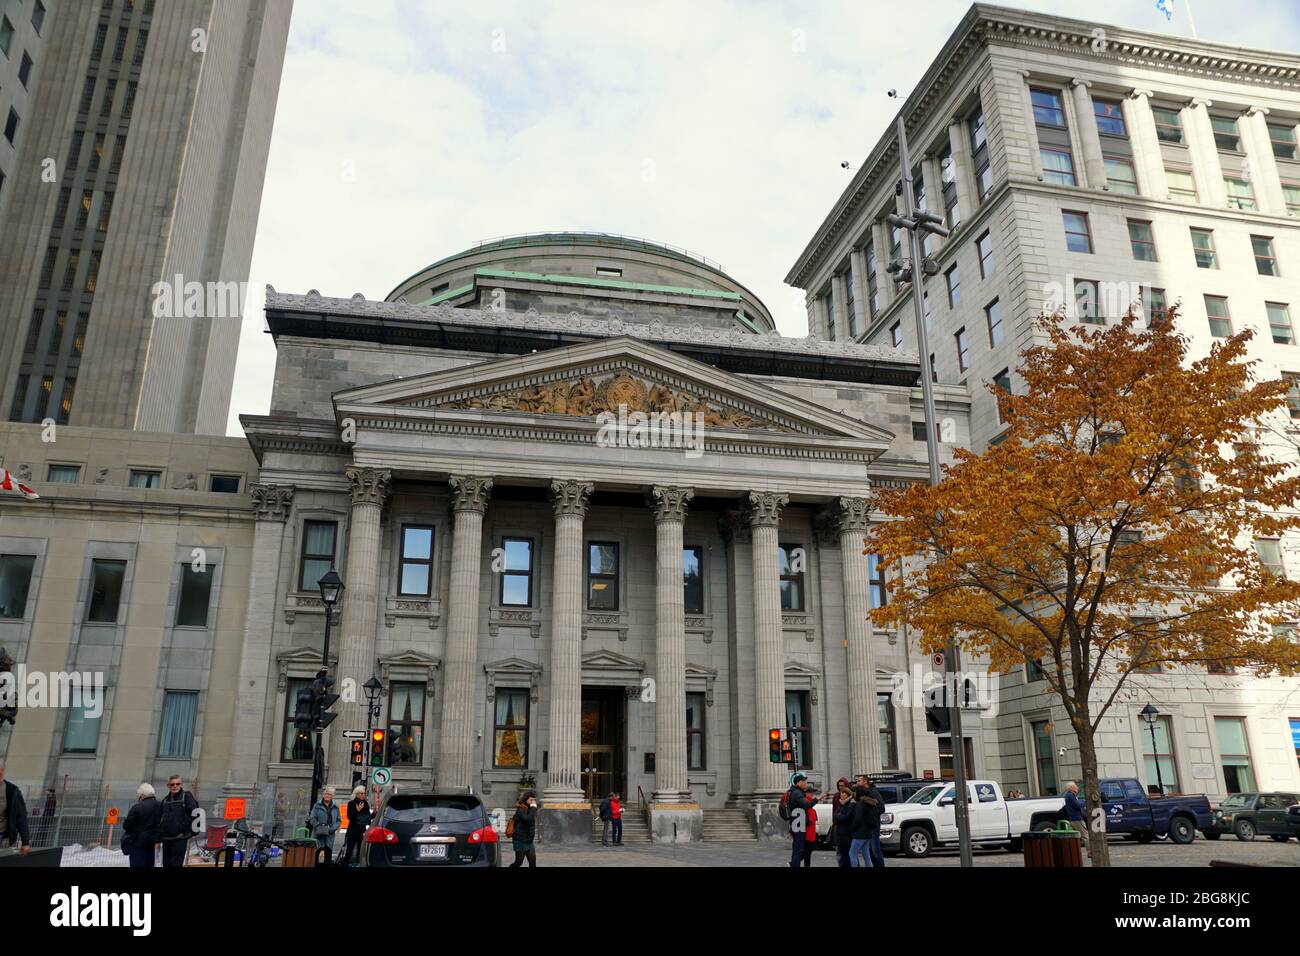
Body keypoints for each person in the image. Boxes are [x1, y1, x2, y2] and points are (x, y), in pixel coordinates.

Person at [158, 775, 199, 867]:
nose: (175, 786)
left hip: (179, 839)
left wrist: (191, 833)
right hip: (166, 839)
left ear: (181, 785)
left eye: (177, 784)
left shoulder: (186, 796)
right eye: (172, 784)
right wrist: (160, 834)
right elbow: (160, 818)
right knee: (166, 864)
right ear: (168, 785)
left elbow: (196, 814)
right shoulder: (165, 800)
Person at [123, 783, 162, 868]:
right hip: (153, 843)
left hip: (138, 844)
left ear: (142, 795)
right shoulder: (161, 806)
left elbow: (127, 825)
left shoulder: (137, 807)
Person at [784, 772, 817, 868]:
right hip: (798, 823)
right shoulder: (797, 793)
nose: (805, 783)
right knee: (798, 850)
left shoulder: (793, 792)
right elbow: (806, 805)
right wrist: (815, 800)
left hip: (796, 822)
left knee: (797, 850)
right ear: (798, 783)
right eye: (803, 781)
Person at [0, 758, 31, 856]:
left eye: (1, 770)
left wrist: (25, 841)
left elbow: (21, 817)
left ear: (3, 770)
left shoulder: (12, 792)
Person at [309, 786, 341, 866]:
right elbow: (312, 818)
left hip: (329, 835)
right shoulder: (317, 805)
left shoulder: (335, 807)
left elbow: (338, 820)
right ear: (323, 795)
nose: (327, 796)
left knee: (328, 857)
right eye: (326, 794)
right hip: (318, 834)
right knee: (315, 856)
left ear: (332, 796)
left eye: (329, 794)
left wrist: (332, 829)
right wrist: (318, 827)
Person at [848, 785, 878, 867]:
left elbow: (857, 819)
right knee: (866, 854)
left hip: (859, 834)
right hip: (868, 833)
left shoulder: (860, 805)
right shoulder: (870, 803)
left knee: (852, 853)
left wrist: (852, 829)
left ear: (858, 793)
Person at [343, 785, 372, 866]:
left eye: (364, 793)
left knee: (360, 852)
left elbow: (367, 817)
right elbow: (350, 817)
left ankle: (358, 865)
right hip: (352, 831)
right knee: (349, 851)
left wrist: (374, 813)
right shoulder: (351, 803)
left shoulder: (365, 804)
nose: (363, 795)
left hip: (362, 831)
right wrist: (357, 810)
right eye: (361, 793)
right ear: (357, 794)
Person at [509, 790, 538, 867]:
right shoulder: (520, 809)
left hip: (529, 840)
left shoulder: (530, 809)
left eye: (534, 800)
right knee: (518, 862)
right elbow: (527, 820)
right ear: (526, 800)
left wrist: (533, 808)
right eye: (531, 800)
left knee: (533, 863)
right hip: (520, 840)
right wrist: (533, 808)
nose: (533, 802)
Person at [1062, 780, 1089, 861]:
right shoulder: (1071, 795)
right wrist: (1084, 801)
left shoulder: (1068, 795)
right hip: (1076, 818)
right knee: (1085, 835)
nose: (1077, 787)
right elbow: (1077, 805)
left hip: (1072, 818)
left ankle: (1072, 852)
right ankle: (1090, 851)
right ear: (1072, 788)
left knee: (1075, 837)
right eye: (1075, 786)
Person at [832, 779, 855, 868]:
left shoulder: (851, 804)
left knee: (848, 856)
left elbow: (846, 817)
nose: (841, 795)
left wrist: (839, 817)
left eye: (844, 793)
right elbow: (835, 816)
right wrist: (838, 818)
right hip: (840, 835)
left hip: (847, 835)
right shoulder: (841, 804)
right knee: (841, 856)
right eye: (841, 792)